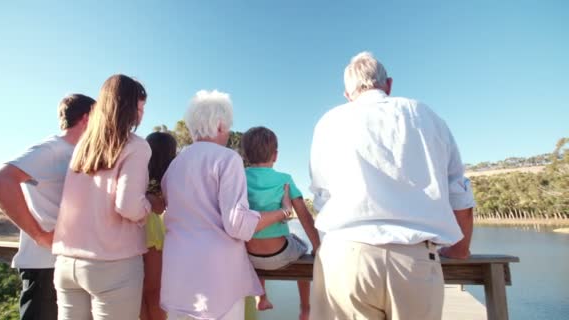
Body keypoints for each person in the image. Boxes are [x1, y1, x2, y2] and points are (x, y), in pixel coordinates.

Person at [308, 52, 475, 320]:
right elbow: (459, 194)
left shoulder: (329, 122)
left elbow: (321, 195)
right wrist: (460, 248)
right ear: (389, 84)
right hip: (416, 262)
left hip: (346, 257)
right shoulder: (425, 115)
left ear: (348, 95)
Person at [160, 90, 292, 320]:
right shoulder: (227, 159)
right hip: (216, 281)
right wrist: (282, 212)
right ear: (220, 125)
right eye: (228, 127)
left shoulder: (174, 166)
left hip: (177, 278)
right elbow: (237, 224)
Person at [52, 75, 163, 320]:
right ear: (126, 107)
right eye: (140, 107)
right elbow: (128, 206)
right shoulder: (136, 145)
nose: (142, 114)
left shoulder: (83, 145)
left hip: (67, 262)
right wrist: (150, 204)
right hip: (112, 264)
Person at [0, 93, 95, 320]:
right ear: (87, 118)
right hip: (44, 267)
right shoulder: (51, 148)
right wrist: (39, 235)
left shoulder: (76, 153)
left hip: (67, 265)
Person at [241, 126, 320, 320]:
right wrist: (317, 246)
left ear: (245, 153)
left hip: (249, 255)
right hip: (280, 253)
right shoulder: (284, 179)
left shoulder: (239, 176)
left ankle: (262, 297)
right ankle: (305, 308)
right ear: (275, 155)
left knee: (253, 236)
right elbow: (304, 216)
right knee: (301, 246)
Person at [141, 131, 177, 320]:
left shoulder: (138, 172)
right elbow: (160, 206)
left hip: (132, 229)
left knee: (140, 291)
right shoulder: (167, 176)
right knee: (155, 291)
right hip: (153, 231)